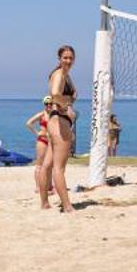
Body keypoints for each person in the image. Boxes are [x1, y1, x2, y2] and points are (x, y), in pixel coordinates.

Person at [41, 44, 78, 213]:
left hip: (55, 121)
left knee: (47, 165)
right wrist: (66, 107)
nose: (68, 60)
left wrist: (67, 104)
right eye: (65, 57)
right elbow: (55, 94)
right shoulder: (59, 75)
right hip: (59, 121)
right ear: (59, 58)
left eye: (71, 58)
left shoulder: (65, 75)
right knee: (59, 168)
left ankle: (44, 203)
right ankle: (67, 206)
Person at [28, 95, 54, 205]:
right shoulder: (41, 115)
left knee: (49, 165)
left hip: (52, 141)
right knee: (39, 165)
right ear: (44, 104)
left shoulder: (54, 115)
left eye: (50, 103)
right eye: (46, 104)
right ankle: (38, 187)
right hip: (42, 141)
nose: (49, 105)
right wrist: (37, 133)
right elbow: (28, 123)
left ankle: (48, 186)